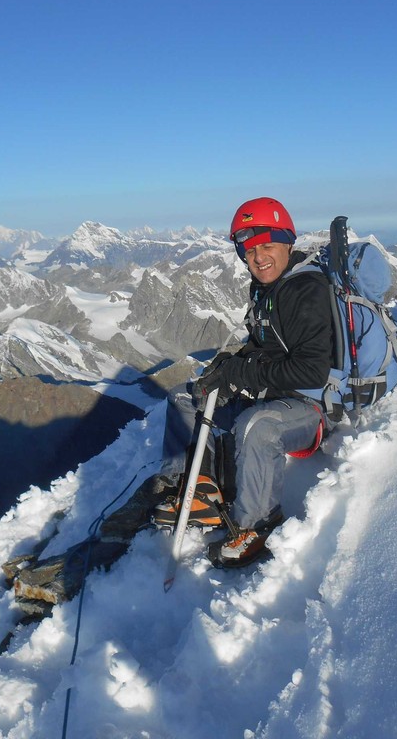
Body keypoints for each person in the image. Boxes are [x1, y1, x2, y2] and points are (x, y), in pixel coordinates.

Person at [151, 196, 336, 567]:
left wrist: (240, 374)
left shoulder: (306, 291)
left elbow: (311, 371)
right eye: (250, 250)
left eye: (267, 246)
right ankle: (191, 489)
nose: (258, 257)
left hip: (313, 406)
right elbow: (265, 344)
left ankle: (258, 525)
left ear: (287, 243)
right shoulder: (266, 288)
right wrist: (229, 365)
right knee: (186, 398)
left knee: (256, 426)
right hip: (274, 392)